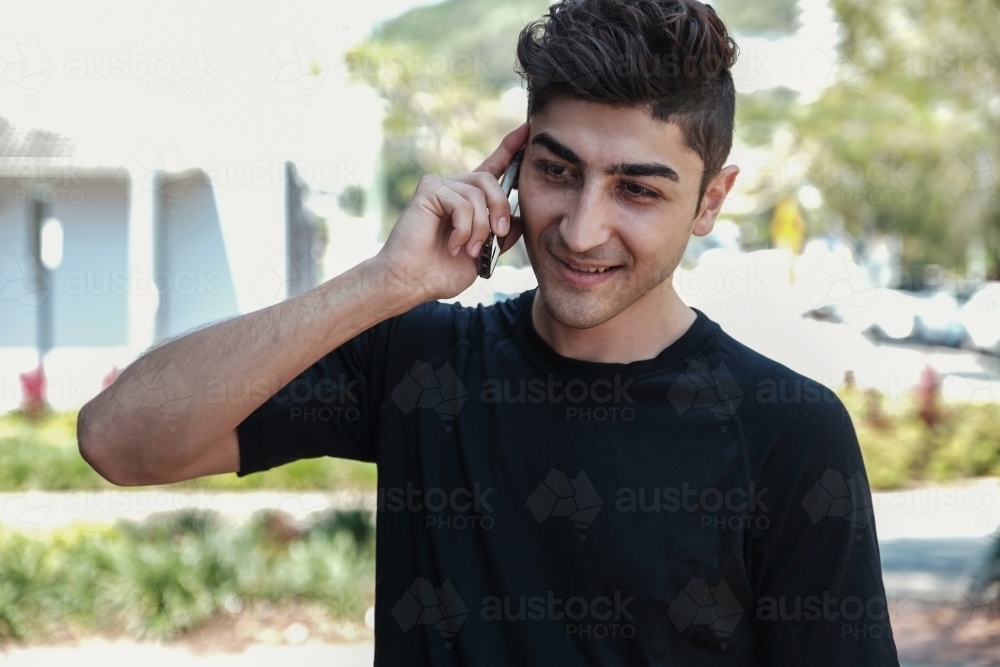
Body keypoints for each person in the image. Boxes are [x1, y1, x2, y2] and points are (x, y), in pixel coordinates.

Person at [77, 0, 901, 663]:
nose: (582, 229)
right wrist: (381, 284)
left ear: (711, 201)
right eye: (557, 170)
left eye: (637, 190)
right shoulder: (419, 360)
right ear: (513, 166)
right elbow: (120, 440)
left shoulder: (786, 431)